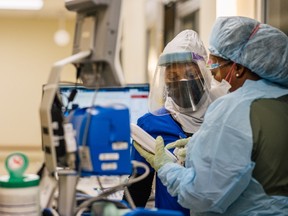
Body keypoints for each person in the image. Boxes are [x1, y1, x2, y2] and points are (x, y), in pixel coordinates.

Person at [134, 16, 288, 215]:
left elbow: (202, 197)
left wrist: (166, 168)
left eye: (215, 67)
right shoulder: (281, 101)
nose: (215, 77)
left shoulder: (233, 110)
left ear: (239, 68)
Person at [125, 30, 230, 215]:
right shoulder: (151, 125)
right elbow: (137, 190)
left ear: (204, 75)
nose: (181, 82)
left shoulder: (225, 116)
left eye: (190, 75)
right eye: (172, 77)